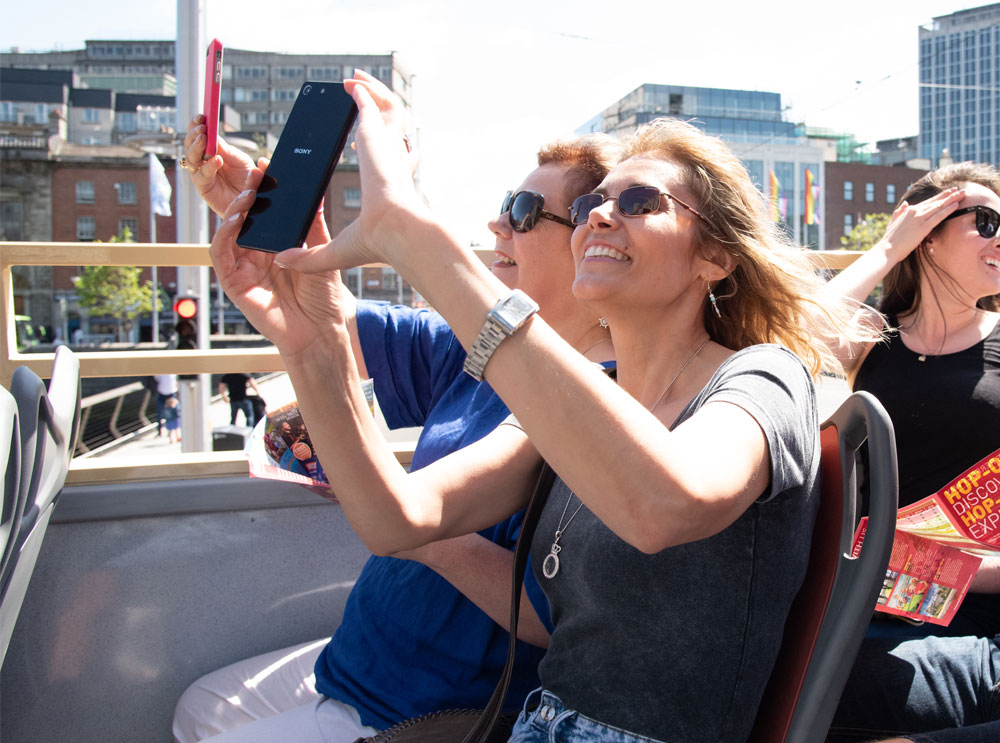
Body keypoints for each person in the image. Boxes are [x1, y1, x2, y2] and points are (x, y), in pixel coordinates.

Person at [210, 72, 868, 743]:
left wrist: (414, 238)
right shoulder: (586, 399)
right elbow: (395, 519)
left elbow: (664, 503)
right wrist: (311, 338)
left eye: (641, 202)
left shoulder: (761, 378)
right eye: (590, 208)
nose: (601, 216)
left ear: (717, 257)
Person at [173, 107, 621, 742]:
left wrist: (399, 513)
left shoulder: (611, 403)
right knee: (200, 708)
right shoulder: (480, 346)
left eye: (522, 211)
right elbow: (333, 321)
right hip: (358, 666)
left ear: (591, 242)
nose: (496, 223)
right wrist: (273, 219)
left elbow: (560, 619)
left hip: (430, 709)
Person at [820, 162, 1000, 742]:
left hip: (979, 608)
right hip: (866, 602)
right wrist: (886, 249)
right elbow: (794, 334)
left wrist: (952, 575)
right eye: (988, 221)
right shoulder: (873, 334)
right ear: (927, 232)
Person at [154, 372, 179, 437]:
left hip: (171, 394)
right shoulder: (159, 370)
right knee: (159, 413)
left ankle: (174, 433)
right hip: (162, 394)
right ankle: (160, 431)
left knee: (172, 414)